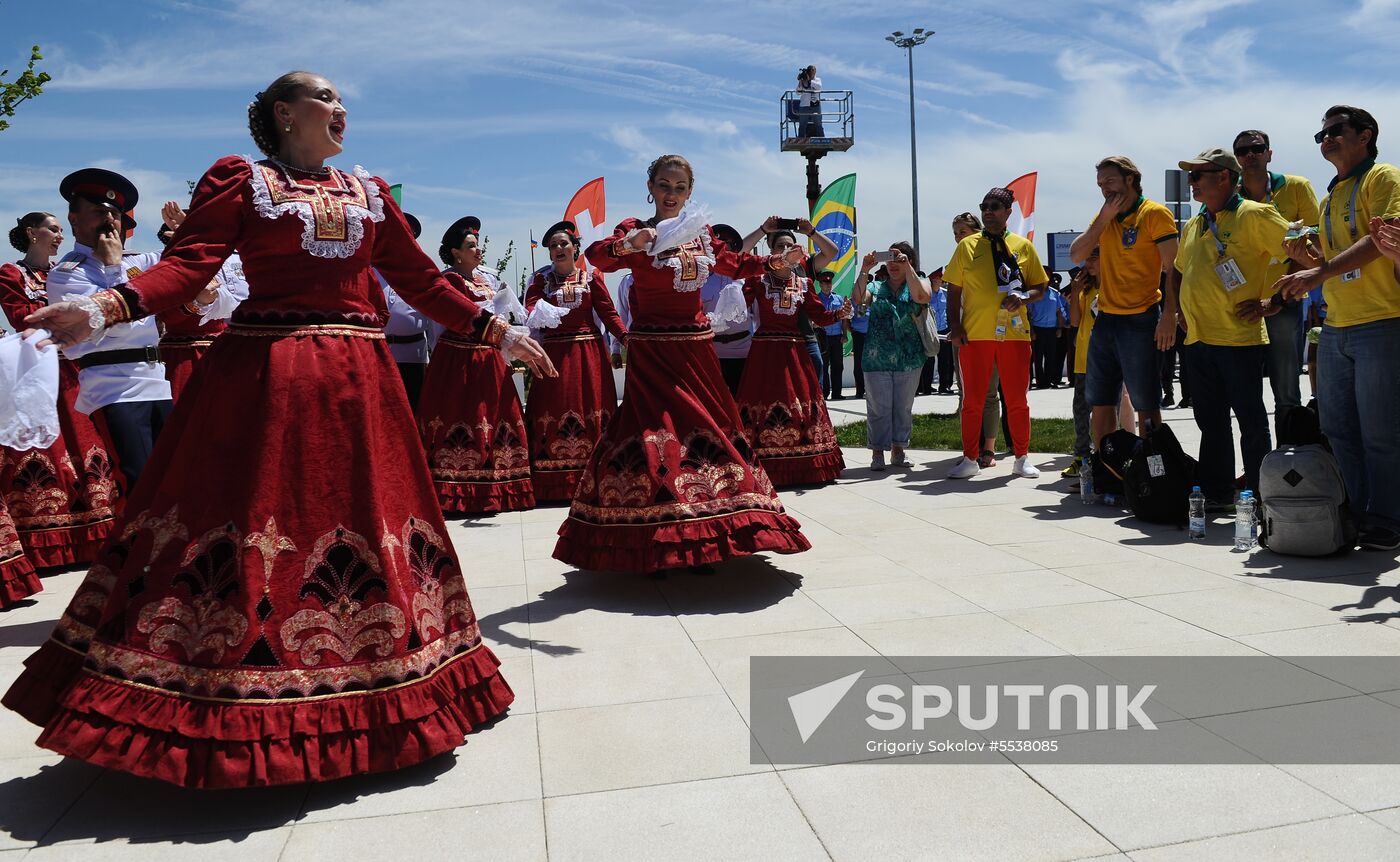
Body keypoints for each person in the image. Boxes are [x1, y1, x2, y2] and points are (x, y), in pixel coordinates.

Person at [3, 71, 557, 788]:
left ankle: (384, 681)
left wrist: (496, 332)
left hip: (361, 385)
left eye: (341, 101)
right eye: (326, 100)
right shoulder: (244, 183)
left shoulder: (367, 193)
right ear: (285, 114)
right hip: (267, 380)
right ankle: (224, 695)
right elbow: (187, 266)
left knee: (369, 519)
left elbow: (421, 281)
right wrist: (106, 308)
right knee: (253, 520)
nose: (342, 110)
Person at [556, 154, 811, 573]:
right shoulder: (635, 230)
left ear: (690, 193)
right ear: (650, 188)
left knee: (708, 429)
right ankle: (653, 532)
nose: (671, 194)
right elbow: (599, 256)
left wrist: (777, 263)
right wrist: (629, 244)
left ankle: (710, 525)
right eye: (663, 185)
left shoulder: (701, 234)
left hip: (695, 349)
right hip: (653, 349)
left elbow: (734, 263)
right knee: (653, 434)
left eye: (679, 187)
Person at [1278, 105, 1400, 551]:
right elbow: (1332, 261)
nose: (1325, 139)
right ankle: (1359, 509)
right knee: (1339, 429)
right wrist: (1307, 259)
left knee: (1381, 432)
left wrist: (1319, 273)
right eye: (1321, 135)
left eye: (1334, 131)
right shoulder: (1331, 197)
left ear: (1365, 135)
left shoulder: (1383, 177)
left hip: (1382, 321)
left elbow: (1379, 240)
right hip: (1337, 327)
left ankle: (1388, 518)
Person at [1167, 148, 1290, 510]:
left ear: (1223, 177)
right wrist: (1177, 310)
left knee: (1251, 423)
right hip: (1198, 339)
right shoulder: (1197, 223)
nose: (1191, 183)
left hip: (1238, 338)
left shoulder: (1255, 214)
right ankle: (1219, 493)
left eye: (1197, 176)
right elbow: (1175, 268)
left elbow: (1302, 250)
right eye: (1189, 177)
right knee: (1211, 423)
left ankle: (1260, 496)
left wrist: (1277, 302)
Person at [0, 213, 121, 569]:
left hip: (75, 366)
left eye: (60, 230)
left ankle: (96, 536)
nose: (59, 236)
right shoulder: (12, 273)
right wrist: (71, 315)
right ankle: (48, 541)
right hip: (40, 369)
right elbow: (20, 315)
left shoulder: (62, 271)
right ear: (30, 233)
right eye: (52, 229)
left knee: (88, 442)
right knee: (49, 447)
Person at [47, 168, 171, 490]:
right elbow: (117, 328)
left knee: (173, 483)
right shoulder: (66, 274)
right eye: (99, 212)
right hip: (113, 389)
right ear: (74, 219)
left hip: (157, 381)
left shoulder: (139, 261)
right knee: (139, 484)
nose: (109, 220)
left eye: (114, 214)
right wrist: (115, 268)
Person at [418, 216, 535, 513]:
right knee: (464, 415)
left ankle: (502, 486)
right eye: (471, 245)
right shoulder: (449, 280)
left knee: (497, 417)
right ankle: (457, 488)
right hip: (459, 359)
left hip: (490, 357)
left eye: (477, 244)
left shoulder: (487, 279)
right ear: (456, 252)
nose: (478, 249)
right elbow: (441, 323)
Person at [1070, 156, 1180, 449]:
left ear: (1130, 179)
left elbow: (1174, 268)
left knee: (1146, 402)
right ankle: (1107, 470)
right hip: (1106, 318)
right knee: (1101, 401)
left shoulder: (1154, 214)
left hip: (1141, 318)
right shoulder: (1106, 216)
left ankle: (1153, 472)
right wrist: (1103, 220)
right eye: (1100, 184)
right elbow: (1076, 254)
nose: (1104, 189)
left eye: (1109, 181)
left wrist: (1169, 314)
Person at [945, 187, 1049, 479]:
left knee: (1017, 399)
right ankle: (970, 458)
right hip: (975, 335)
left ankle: (1021, 457)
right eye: (984, 206)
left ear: (1007, 212)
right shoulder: (966, 246)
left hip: (1014, 335)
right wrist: (955, 326)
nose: (988, 211)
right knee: (973, 401)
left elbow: (1040, 287)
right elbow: (954, 291)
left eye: (994, 206)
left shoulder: (1023, 246)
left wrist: (1024, 298)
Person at [523, 220, 628, 502]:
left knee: (591, 404)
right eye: (553, 246)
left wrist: (626, 338)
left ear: (575, 249)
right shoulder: (540, 281)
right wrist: (539, 310)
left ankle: (597, 475)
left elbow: (609, 314)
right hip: (555, 355)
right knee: (553, 406)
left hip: (588, 355)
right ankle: (553, 481)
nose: (558, 248)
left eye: (563, 244)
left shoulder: (592, 278)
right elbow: (530, 309)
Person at [1235, 129, 1321, 435]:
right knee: (1245, 394)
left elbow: (1314, 238)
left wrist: (1279, 298)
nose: (1250, 155)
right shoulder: (1231, 196)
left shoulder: (1296, 187)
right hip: (1242, 306)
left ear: (1269, 154)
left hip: (1282, 301)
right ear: (1236, 158)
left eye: (1257, 149)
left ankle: (1289, 461)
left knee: (1286, 390)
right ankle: (1259, 467)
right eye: (1243, 151)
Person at [734, 259, 848, 486]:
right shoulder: (758, 281)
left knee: (800, 399)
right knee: (762, 399)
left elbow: (819, 315)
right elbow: (737, 307)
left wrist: (839, 314)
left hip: (794, 349)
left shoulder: (804, 283)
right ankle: (755, 465)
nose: (786, 252)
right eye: (780, 247)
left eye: (791, 246)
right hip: (765, 352)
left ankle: (808, 464)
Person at [154, 206, 248, 402]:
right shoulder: (165, 263)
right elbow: (164, 312)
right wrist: (196, 303)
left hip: (230, 350)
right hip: (184, 355)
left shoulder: (235, 259)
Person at [851, 242, 931, 471]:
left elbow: (922, 297)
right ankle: (878, 452)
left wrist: (909, 270)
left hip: (909, 358)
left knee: (903, 407)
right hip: (877, 358)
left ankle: (899, 450)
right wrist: (865, 269)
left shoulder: (919, 282)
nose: (894, 264)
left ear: (910, 261)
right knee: (878, 407)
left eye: (900, 259)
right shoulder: (876, 287)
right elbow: (858, 298)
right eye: (891, 258)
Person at [951, 212, 1003, 466]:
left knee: (990, 394)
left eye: (963, 231)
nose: (959, 237)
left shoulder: (992, 257)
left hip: (991, 335)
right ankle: (969, 449)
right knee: (967, 396)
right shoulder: (958, 259)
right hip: (964, 337)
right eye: (956, 233)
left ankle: (989, 449)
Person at [378, 212, 439, 409]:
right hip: (381, 354)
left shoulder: (421, 274)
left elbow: (433, 320)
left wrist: (436, 356)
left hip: (415, 355)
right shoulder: (371, 269)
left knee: (413, 410)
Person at [703, 224, 752, 395]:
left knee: (743, 403)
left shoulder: (747, 278)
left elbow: (759, 316)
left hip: (744, 351)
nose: (722, 247)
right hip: (711, 352)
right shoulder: (700, 278)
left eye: (727, 244)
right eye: (718, 242)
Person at [817, 270, 848, 398]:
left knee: (837, 366)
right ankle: (824, 393)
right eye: (825, 283)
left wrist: (844, 333)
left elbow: (844, 317)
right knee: (823, 366)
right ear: (820, 284)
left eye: (829, 282)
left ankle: (837, 393)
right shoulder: (816, 299)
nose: (828, 285)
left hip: (836, 336)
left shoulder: (838, 299)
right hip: (822, 336)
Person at [930, 267, 956, 394]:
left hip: (944, 330)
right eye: (940, 279)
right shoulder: (927, 294)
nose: (942, 281)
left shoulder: (945, 293)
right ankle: (925, 386)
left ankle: (944, 385)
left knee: (945, 360)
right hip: (931, 331)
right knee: (929, 360)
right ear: (934, 279)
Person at [796, 65, 824, 138]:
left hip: (815, 105)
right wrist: (801, 81)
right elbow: (798, 92)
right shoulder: (803, 81)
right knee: (802, 124)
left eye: (813, 70)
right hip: (804, 105)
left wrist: (809, 81)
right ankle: (801, 139)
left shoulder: (817, 80)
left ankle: (822, 139)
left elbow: (819, 87)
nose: (812, 72)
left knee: (818, 124)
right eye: (810, 70)